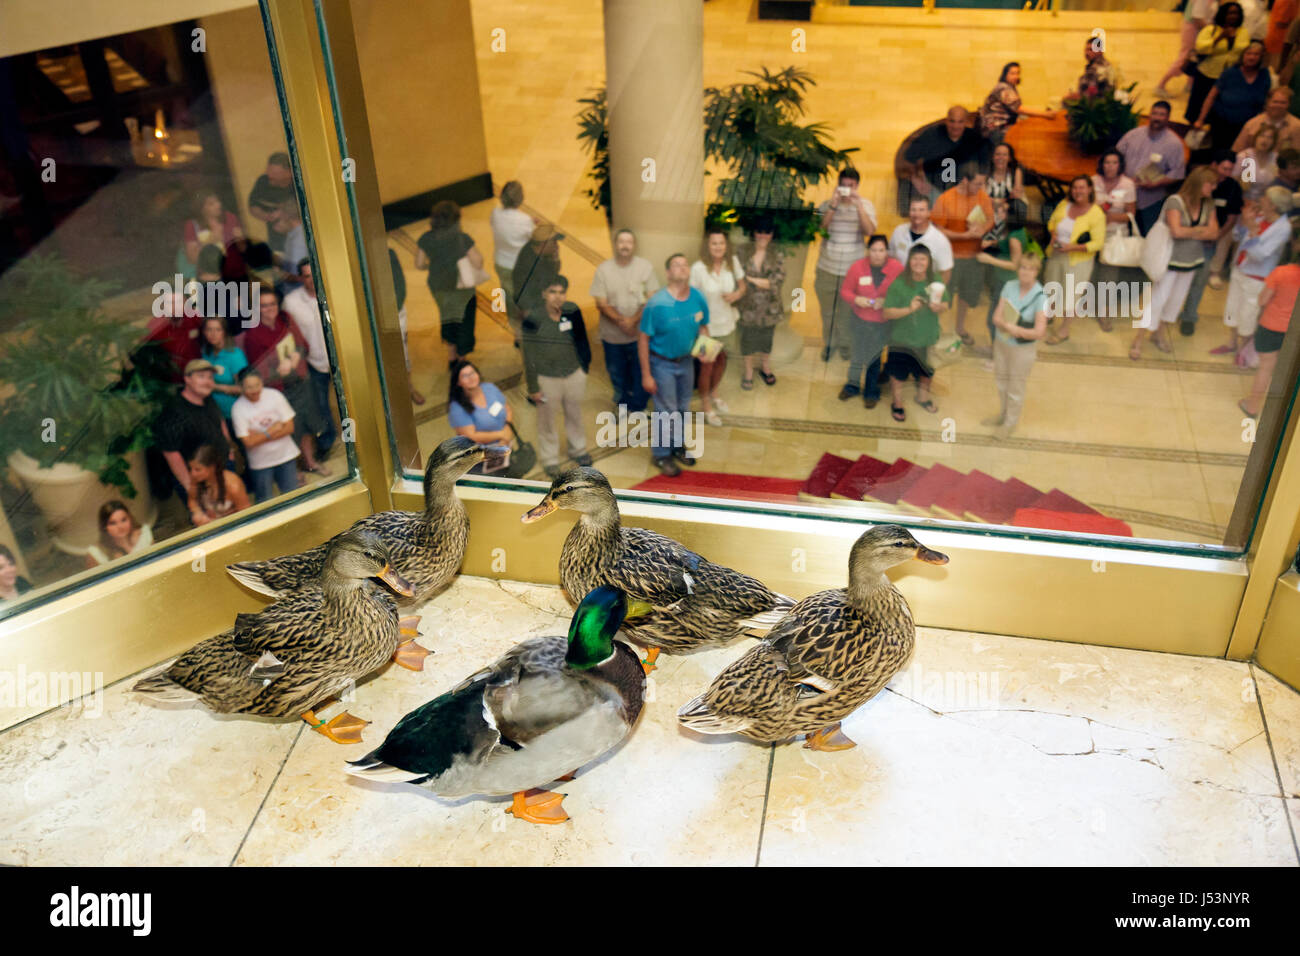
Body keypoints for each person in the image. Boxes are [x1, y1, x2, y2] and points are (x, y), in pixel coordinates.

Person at [1131, 167, 1219, 359]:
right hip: (1170, 260)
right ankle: (1138, 339)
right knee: (1157, 300)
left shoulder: (1208, 204)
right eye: (1210, 184)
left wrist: (1190, 231)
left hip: (1192, 261)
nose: (1213, 188)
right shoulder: (1175, 201)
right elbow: (1176, 232)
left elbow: (1214, 232)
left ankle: (1159, 334)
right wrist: (1200, 231)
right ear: (1199, 182)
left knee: (1175, 301)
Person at [243, 287, 329, 476]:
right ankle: (295, 473)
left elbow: (302, 345)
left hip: (302, 383)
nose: (269, 308)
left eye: (272, 304)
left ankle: (310, 462)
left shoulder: (286, 318)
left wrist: (296, 356)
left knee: (307, 425)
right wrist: (277, 370)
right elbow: (256, 373)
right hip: (279, 390)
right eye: (264, 305)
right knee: (290, 431)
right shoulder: (253, 334)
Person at [639, 254, 710, 477]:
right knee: (665, 411)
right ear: (668, 273)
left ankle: (677, 445)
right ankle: (661, 454)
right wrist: (646, 375)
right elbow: (643, 339)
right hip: (662, 365)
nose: (682, 267)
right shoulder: (657, 303)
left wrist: (704, 352)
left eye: (684, 264)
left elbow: (703, 327)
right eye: (676, 265)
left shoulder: (697, 297)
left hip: (686, 362)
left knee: (682, 408)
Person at [522, 275, 593, 479]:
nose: (558, 297)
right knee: (546, 421)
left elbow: (582, 339)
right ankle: (550, 459)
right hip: (546, 380)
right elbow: (528, 355)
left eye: (562, 292)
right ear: (544, 293)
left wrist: (584, 367)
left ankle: (578, 450)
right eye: (553, 292)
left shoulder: (572, 310)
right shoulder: (533, 319)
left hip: (573, 374)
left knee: (575, 414)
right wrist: (533, 387)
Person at [1218, 185, 1295, 357]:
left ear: (1273, 205)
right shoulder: (1259, 216)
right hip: (1239, 270)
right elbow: (1237, 237)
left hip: (1256, 278)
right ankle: (1231, 344)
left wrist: (1253, 231)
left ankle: (1243, 352)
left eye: (1265, 198)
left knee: (1248, 316)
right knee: (1232, 309)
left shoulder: (1284, 228)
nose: (1261, 199)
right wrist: (1243, 222)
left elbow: (1260, 255)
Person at [591, 228, 658, 413]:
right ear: (615, 245)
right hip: (612, 337)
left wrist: (633, 321)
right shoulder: (603, 270)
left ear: (634, 245)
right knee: (617, 374)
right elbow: (601, 303)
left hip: (639, 336)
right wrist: (622, 321)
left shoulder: (645, 267)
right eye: (621, 242)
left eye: (629, 242)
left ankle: (638, 407)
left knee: (640, 371)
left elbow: (652, 299)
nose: (625, 245)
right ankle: (622, 405)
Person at [881, 245, 949, 423]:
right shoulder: (899, 283)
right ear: (909, 261)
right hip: (901, 339)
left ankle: (923, 398)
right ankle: (897, 402)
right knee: (898, 373)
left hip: (927, 337)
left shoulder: (936, 281)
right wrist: (909, 309)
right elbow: (887, 312)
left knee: (927, 371)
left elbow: (947, 304)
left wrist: (939, 307)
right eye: (915, 259)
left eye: (923, 259)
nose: (918, 263)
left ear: (929, 262)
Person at [985, 252, 1049, 440]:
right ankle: (1003, 415)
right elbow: (996, 316)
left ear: (1037, 271)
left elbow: (1040, 331)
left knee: (1016, 387)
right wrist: (1005, 326)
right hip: (1002, 342)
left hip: (1022, 349)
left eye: (1031, 268)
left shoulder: (1041, 296)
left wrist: (1016, 330)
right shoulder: (1009, 286)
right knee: (1001, 381)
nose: (1026, 272)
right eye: (1023, 267)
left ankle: (1010, 423)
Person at [814, 167, 876, 361]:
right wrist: (833, 206)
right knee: (827, 312)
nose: (847, 189)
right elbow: (820, 228)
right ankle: (830, 344)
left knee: (848, 312)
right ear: (838, 185)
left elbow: (870, 232)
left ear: (857, 186)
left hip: (853, 271)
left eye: (851, 186)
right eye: (843, 185)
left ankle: (846, 344)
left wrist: (858, 207)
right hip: (827, 268)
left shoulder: (866, 205)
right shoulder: (827, 204)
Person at [1180, 151, 1245, 334]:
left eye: (1230, 169)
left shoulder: (1233, 187)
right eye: (1224, 168)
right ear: (1214, 165)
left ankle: (1189, 316)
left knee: (1199, 281)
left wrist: (1215, 236)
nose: (1226, 173)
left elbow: (1231, 218)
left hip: (1209, 244)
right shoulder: (1198, 181)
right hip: (1184, 243)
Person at [933, 162, 995, 346]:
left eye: (983, 184)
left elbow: (990, 219)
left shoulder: (982, 197)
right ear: (965, 180)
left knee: (967, 296)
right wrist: (963, 235)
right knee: (945, 296)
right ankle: (940, 330)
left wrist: (982, 229)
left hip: (974, 257)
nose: (980, 188)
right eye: (977, 184)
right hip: (950, 258)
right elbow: (938, 229)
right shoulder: (946, 199)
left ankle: (960, 328)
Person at [415, 200, 482, 366]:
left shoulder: (426, 238)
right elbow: (478, 262)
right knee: (464, 321)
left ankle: (451, 356)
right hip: (462, 288)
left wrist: (430, 265)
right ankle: (462, 359)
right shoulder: (462, 239)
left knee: (447, 316)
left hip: (439, 287)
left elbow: (419, 263)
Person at [154, 358, 233, 499]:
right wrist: (191, 488)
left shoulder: (208, 398)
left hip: (222, 468)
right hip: (200, 481)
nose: (208, 381)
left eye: (210, 377)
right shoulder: (174, 411)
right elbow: (171, 453)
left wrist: (229, 448)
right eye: (201, 376)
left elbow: (220, 421)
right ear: (187, 379)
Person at [839, 235, 903, 406]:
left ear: (887, 251)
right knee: (857, 355)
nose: (877, 254)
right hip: (860, 320)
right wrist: (856, 299)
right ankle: (852, 386)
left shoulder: (897, 268)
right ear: (868, 251)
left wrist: (887, 301)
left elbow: (903, 293)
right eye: (873, 250)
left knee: (874, 359)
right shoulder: (858, 267)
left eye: (881, 250)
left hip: (882, 323)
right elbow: (845, 291)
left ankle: (871, 392)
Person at [281, 258, 336, 459]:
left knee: (349, 402)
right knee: (321, 406)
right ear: (300, 278)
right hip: (314, 364)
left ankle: (355, 439)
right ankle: (326, 442)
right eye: (306, 276)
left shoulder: (333, 294)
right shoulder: (291, 302)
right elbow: (289, 336)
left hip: (340, 361)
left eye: (314, 275)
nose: (311, 280)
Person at [690, 228, 746, 424]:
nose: (718, 247)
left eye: (721, 243)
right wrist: (700, 326)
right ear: (708, 245)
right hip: (707, 327)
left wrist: (736, 295)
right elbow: (692, 300)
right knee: (706, 367)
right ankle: (706, 404)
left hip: (727, 323)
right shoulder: (698, 268)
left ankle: (714, 393)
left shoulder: (733, 263)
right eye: (714, 243)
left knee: (722, 361)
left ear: (726, 245)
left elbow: (743, 286)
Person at [1240, 238, 1300, 416]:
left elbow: (1262, 300)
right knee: (1290, 372)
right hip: (1295, 331)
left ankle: (1252, 406)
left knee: (1265, 368)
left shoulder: (1281, 273)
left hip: (1272, 326)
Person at [1044, 176, 1106, 344]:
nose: (1078, 191)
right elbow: (1052, 223)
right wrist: (1053, 236)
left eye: (1082, 188)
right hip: (1056, 255)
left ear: (1090, 190)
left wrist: (1071, 247)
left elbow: (1097, 243)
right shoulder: (1065, 204)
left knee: (1071, 296)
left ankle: (1064, 330)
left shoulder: (1096, 214)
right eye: (1075, 188)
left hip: (1078, 262)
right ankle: (1047, 317)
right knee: (1051, 288)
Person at [1116, 101, 1188, 235]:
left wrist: (1156, 183)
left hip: (1150, 201)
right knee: (1121, 233)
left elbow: (1177, 173)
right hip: (1124, 196)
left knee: (1149, 235)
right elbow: (1116, 156)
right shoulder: (1133, 135)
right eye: (1155, 113)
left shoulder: (1174, 144)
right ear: (1150, 114)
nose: (1157, 118)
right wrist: (1122, 178)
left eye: (1162, 115)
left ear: (1168, 118)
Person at [231, 366, 300, 502]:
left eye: (257, 385)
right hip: (260, 462)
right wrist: (271, 430)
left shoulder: (274, 395)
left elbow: (290, 428)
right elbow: (248, 443)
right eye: (249, 387)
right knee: (265, 500)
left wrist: (258, 435)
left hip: (285, 455)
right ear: (241, 387)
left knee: (292, 496)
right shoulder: (238, 408)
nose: (255, 390)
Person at [1193, 40, 1270, 153]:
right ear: (1242, 56)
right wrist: (1200, 119)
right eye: (1248, 53)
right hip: (1223, 122)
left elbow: (1266, 101)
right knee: (1219, 153)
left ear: (1261, 57)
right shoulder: (1230, 73)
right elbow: (1211, 96)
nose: (1252, 57)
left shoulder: (1264, 75)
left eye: (1256, 54)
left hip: (1248, 126)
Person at [737, 216, 785, 390]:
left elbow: (776, 282)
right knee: (747, 339)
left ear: (772, 235)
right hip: (748, 305)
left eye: (767, 233)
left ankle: (765, 368)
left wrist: (749, 278)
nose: (763, 236)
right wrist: (761, 281)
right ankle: (748, 371)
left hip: (769, 307)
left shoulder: (777, 254)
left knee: (766, 339)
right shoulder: (742, 251)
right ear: (754, 233)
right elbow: (736, 276)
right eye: (759, 232)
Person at [900, 106, 983, 206]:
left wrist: (977, 183)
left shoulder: (974, 139)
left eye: (960, 122)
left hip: (966, 192)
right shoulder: (931, 135)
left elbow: (984, 165)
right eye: (952, 121)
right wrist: (916, 178)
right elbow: (908, 158)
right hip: (935, 189)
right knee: (936, 218)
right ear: (946, 121)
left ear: (966, 122)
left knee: (977, 217)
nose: (955, 126)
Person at [977, 197, 1034, 339]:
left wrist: (989, 259)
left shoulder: (1014, 237)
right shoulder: (1016, 230)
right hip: (1003, 280)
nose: (1000, 211)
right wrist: (991, 243)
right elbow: (1006, 244)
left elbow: (1015, 265)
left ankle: (997, 354)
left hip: (1007, 281)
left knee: (995, 320)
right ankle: (997, 350)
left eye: (1005, 210)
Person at [1188, 3, 1251, 127]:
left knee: (1219, 110)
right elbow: (1200, 48)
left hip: (1229, 77)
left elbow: (1244, 50)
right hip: (1207, 74)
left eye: (1236, 13)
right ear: (1223, 14)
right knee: (1198, 107)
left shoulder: (1243, 32)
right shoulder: (1210, 30)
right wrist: (1219, 38)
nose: (1233, 16)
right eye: (1230, 13)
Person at [490, 181, 536, 346]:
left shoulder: (495, 214)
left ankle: (518, 336)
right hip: (522, 267)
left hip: (502, 264)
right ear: (520, 199)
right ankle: (529, 329)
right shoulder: (525, 221)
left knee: (510, 300)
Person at [448, 359, 514, 459]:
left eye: (472, 373)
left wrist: (507, 430)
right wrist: (502, 435)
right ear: (458, 382)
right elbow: (470, 436)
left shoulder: (490, 388)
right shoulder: (457, 408)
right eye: (465, 376)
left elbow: (507, 408)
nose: (471, 378)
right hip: (480, 455)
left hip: (504, 442)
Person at [979, 62, 1055, 147]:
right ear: (1005, 75)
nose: (1016, 76)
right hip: (996, 129)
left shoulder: (1010, 88)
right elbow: (1018, 108)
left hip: (1003, 127)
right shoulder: (1003, 87)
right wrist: (1045, 114)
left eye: (1017, 73)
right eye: (1012, 73)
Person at [1155, 0, 1219, 98]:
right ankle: (1161, 85)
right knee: (1186, 58)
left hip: (1199, 30)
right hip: (1194, 29)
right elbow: (1197, 18)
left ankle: (1190, 85)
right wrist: (1211, 30)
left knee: (1196, 58)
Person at [387, 246, 424, 406]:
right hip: (371, 316)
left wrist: (395, 306)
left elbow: (400, 284)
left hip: (395, 312)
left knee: (403, 352)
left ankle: (408, 387)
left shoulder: (388, 253)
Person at [512, 223, 563, 335]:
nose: (557, 245)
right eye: (553, 242)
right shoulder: (528, 266)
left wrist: (555, 258)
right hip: (532, 307)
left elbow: (554, 273)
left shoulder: (539, 251)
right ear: (543, 244)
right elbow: (524, 297)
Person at [888, 195, 955, 282]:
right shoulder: (898, 231)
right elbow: (890, 257)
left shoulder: (940, 240)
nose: (917, 214)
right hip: (900, 286)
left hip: (926, 289)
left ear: (929, 213)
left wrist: (934, 292)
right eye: (913, 210)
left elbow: (945, 272)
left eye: (921, 210)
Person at [180, 192, 243, 280]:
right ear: (201, 209)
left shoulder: (229, 217)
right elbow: (192, 258)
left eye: (218, 201)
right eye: (211, 204)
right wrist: (210, 240)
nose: (218, 205)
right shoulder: (192, 225)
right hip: (210, 277)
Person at [142, 291, 201, 384]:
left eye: (178, 302)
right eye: (170, 303)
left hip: (198, 375)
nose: (175, 307)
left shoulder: (197, 319)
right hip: (169, 380)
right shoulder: (155, 326)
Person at [186, 443, 251, 526]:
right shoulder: (197, 479)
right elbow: (192, 499)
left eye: (197, 469)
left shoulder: (233, 485)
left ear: (213, 467)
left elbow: (246, 514)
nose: (193, 474)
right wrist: (197, 512)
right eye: (190, 469)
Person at [199, 315, 247, 420]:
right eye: (209, 330)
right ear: (204, 332)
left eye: (218, 330)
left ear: (224, 332)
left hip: (234, 413)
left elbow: (244, 389)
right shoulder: (206, 353)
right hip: (213, 412)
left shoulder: (235, 355)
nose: (213, 334)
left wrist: (215, 387)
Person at [246, 152, 296, 254]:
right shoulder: (263, 182)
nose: (269, 175)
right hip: (277, 245)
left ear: (289, 173)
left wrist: (285, 215)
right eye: (268, 170)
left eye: (274, 172)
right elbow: (253, 205)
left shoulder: (299, 184)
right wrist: (266, 216)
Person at [85, 501, 152, 567]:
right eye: (113, 523)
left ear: (130, 518)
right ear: (104, 527)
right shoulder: (96, 553)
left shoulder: (143, 535)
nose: (120, 527)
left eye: (124, 520)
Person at [1232, 88, 1300, 154]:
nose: (1278, 105)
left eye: (1283, 103)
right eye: (1275, 102)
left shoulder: (1296, 126)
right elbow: (1237, 150)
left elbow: (1297, 156)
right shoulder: (1252, 123)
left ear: (1289, 105)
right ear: (1268, 102)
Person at [1236, 124, 1280, 202]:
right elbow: (1233, 182)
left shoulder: (1276, 158)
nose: (1265, 140)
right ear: (1256, 138)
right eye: (1262, 136)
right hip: (1242, 201)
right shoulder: (1243, 156)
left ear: (1274, 142)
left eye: (1270, 138)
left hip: (1267, 202)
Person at [271, 200, 307, 276]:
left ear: (287, 217)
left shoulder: (298, 239)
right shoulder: (293, 234)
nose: (274, 228)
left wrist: (278, 269)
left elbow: (296, 274)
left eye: (277, 221)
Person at [1077, 34, 1118, 98]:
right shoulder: (1091, 66)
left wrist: (1075, 97)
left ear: (1100, 51)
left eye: (1091, 50)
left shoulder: (1102, 68)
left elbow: (1091, 93)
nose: (1087, 53)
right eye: (1086, 50)